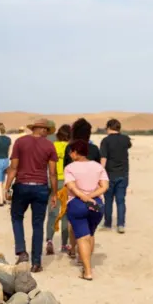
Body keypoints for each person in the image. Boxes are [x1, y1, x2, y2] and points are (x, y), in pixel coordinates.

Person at [4, 119, 58, 273]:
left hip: (21, 186)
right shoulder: (49, 145)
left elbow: (13, 168)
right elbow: (52, 173)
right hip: (41, 188)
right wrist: (54, 193)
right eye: (47, 130)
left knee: (16, 217)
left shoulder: (20, 142)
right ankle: (36, 263)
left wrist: (7, 187)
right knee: (38, 224)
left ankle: (21, 252)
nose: (47, 133)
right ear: (41, 129)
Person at [64, 140, 110, 280]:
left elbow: (72, 187)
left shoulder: (70, 167)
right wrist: (91, 196)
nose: (70, 154)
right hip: (96, 204)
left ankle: (87, 271)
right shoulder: (97, 166)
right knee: (90, 234)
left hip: (77, 204)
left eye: (71, 152)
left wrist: (84, 197)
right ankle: (84, 261)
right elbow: (104, 186)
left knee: (82, 238)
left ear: (75, 153)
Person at [64, 118, 101, 259]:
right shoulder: (95, 149)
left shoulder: (70, 149)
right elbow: (99, 170)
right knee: (90, 230)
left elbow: (66, 170)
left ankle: (73, 249)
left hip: (75, 192)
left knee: (73, 223)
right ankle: (84, 258)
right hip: (93, 193)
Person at [100, 119, 132, 234]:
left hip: (109, 175)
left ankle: (108, 224)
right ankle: (121, 225)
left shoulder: (105, 141)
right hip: (123, 174)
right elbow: (129, 145)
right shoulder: (125, 139)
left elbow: (103, 158)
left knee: (108, 200)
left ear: (108, 127)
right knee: (120, 200)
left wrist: (99, 173)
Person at [45, 124, 71, 254]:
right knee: (65, 213)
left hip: (52, 181)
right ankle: (64, 244)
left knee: (52, 211)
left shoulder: (52, 146)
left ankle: (49, 240)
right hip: (66, 183)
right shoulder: (70, 148)